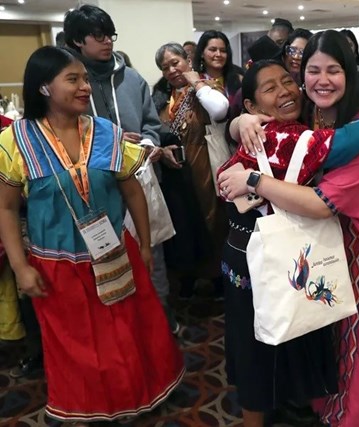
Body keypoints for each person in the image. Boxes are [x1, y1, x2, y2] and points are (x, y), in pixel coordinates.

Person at [221, 30, 359, 427]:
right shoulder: (308, 114)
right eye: (312, 70)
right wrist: (240, 121)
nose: (321, 80)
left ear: (351, 73)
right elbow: (255, 130)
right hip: (312, 248)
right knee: (316, 331)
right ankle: (316, 400)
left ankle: (351, 416)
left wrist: (254, 181)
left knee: (357, 341)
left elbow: (320, 203)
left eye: (334, 70)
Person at [0, 46, 183, 425]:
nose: (85, 86)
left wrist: (146, 245)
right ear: (45, 88)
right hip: (56, 265)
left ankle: (134, 398)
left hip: (116, 251)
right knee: (75, 345)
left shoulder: (106, 132)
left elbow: (131, 189)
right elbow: (4, 207)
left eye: (85, 78)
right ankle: (88, 406)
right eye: (74, 79)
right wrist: (20, 266)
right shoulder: (14, 141)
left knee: (129, 333)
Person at [63, 4, 177, 330]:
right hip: (93, 184)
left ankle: (160, 315)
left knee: (150, 248)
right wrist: (106, 140)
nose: (107, 42)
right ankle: (118, 325)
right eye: (98, 36)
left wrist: (146, 144)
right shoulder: (68, 84)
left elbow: (152, 126)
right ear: (76, 42)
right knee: (102, 254)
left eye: (110, 35)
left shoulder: (132, 78)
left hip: (139, 176)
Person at [153, 42, 230, 300]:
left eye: (176, 62)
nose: (172, 70)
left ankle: (218, 277)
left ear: (187, 59)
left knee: (212, 218)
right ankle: (190, 276)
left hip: (204, 163)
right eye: (166, 68)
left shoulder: (206, 87)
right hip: (176, 172)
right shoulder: (162, 98)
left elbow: (220, 109)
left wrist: (196, 82)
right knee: (184, 223)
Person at [193, 30, 243, 106]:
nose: (218, 54)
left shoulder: (239, 80)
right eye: (213, 50)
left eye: (223, 51)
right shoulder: (196, 81)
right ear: (202, 53)